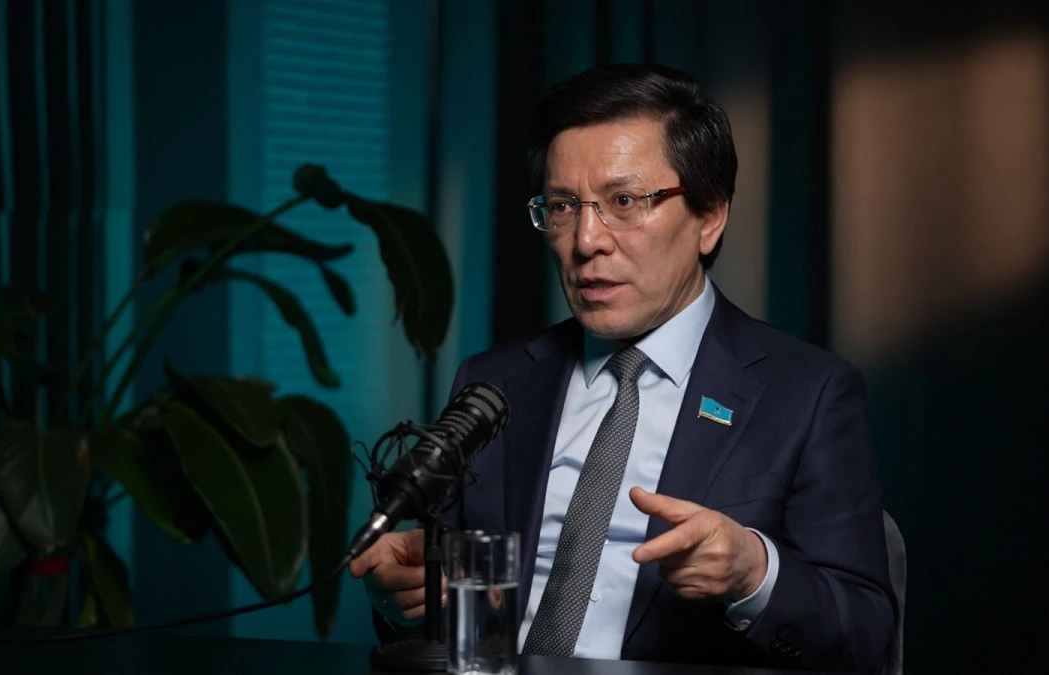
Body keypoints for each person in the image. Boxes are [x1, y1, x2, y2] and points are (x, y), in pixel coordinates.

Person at [349, 63, 896, 674]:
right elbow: (458, 621)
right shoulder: (496, 381)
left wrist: (754, 573)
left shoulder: (806, 393)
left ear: (710, 216)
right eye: (563, 206)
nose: (586, 240)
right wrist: (407, 600)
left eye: (625, 202)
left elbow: (866, 637)